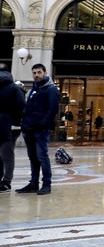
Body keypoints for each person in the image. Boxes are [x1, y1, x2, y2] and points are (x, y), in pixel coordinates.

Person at [16, 63, 60, 196]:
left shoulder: (51, 89)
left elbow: (53, 110)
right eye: (34, 73)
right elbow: (27, 108)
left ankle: (47, 184)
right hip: (29, 128)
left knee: (42, 156)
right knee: (33, 157)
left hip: (40, 129)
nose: (36, 75)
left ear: (45, 73)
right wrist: (24, 123)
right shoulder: (34, 89)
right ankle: (33, 183)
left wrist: (43, 124)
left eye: (39, 72)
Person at [0, 63, 25, 192]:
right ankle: (6, 181)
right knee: (8, 155)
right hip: (10, 126)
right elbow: (21, 106)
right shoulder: (14, 88)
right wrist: (16, 122)